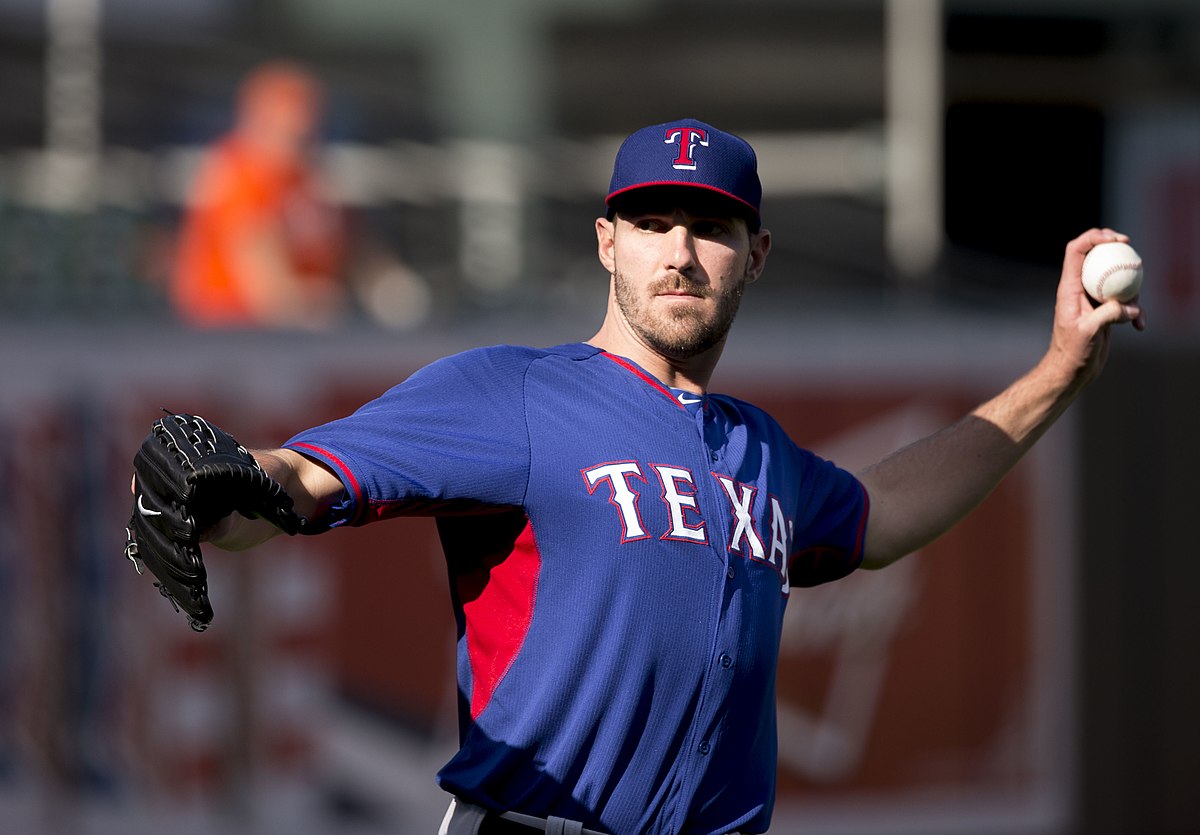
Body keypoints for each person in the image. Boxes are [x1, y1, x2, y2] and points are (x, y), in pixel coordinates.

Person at [196, 119, 1144, 834]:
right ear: (608, 242)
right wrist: (224, 489)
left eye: (711, 227)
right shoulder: (515, 393)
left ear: (756, 255)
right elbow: (300, 481)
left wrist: (1058, 370)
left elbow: (885, 512)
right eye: (652, 223)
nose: (680, 253)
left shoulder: (761, 451)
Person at [169, 61, 347, 329]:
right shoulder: (240, 171)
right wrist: (317, 303)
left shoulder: (302, 176)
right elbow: (267, 289)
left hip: (285, 337)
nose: (300, 137)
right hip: (232, 334)